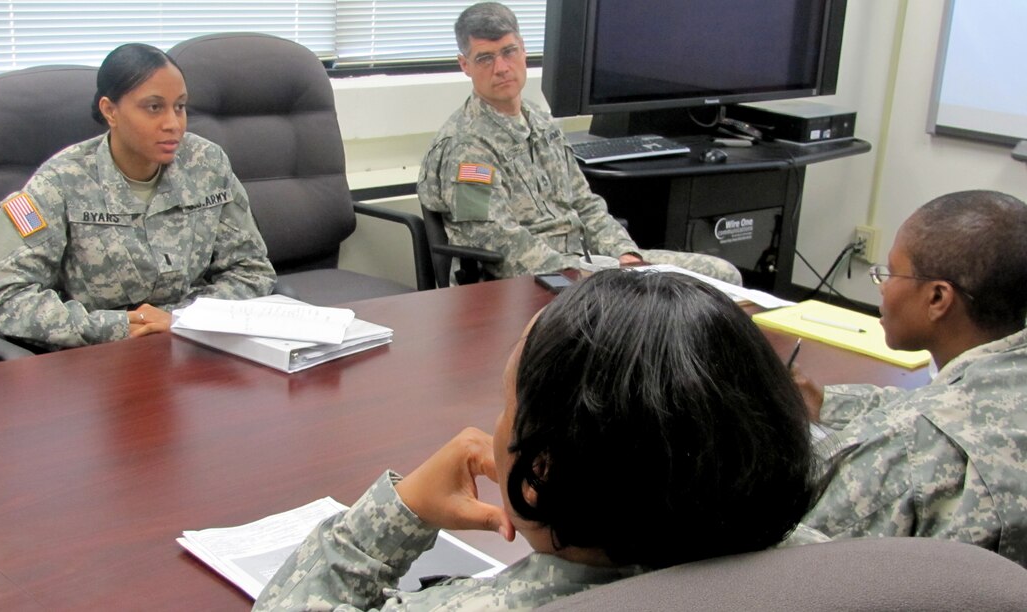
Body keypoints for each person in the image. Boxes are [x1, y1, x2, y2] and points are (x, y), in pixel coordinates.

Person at [254, 270, 824, 611]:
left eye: (508, 407)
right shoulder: (842, 570)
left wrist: (396, 514)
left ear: (545, 467)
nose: (497, 426)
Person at [0, 43, 276, 351]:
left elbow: (251, 270)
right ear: (110, 110)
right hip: (98, 361)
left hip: (191, 347)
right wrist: (118, 327)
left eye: (180, 106)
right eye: (154, 107)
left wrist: (182, 319)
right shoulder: (60, 182)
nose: (173, 123)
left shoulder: (207, 164)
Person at [417, 2, 741, 285]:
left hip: (589, 265)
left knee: (722, 276)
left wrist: (625, 254)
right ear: (465, 65)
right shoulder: (465, 147)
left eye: (508, 51)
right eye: (485, 58)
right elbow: (494, 241)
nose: (501, 67)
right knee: (650, 309)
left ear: (523, 49)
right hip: (530, 281)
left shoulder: (541, 124)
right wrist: (583, 275)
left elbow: (585, 204)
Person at [795, 190, 1027, 566]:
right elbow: (948, 401)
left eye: (890, 272)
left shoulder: (903, 452)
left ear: (938, 298)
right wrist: (823, 402)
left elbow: (795, 563)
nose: (883, 287)